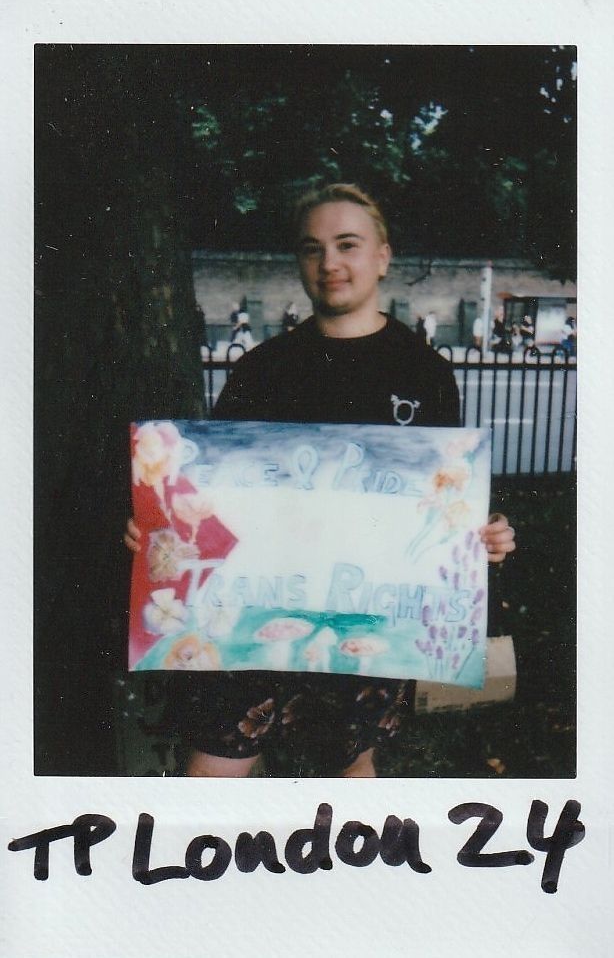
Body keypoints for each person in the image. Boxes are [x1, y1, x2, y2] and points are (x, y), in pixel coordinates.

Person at [125, 183, 515, 778]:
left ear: (382, 257)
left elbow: (443, 499)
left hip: (369, 623)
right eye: (313, 248)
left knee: (349, 772)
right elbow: (217, 491)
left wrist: (483, 537)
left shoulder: (425, 374)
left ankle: (353, 873)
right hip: (254, 615)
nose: (330, 262)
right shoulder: (262, 369)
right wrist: (161, 526)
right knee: (211, 775)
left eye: (347, 245)